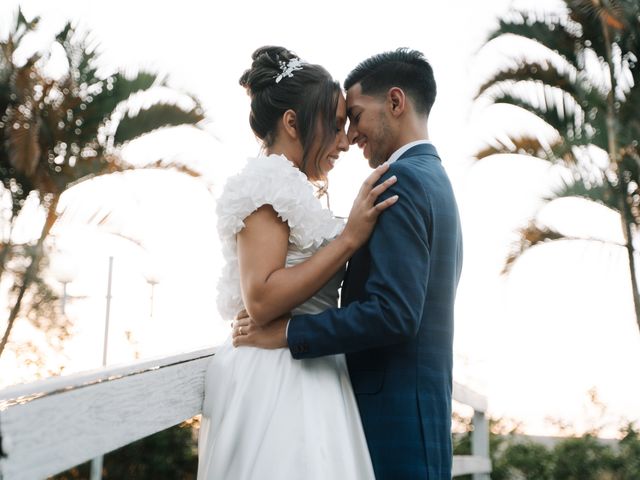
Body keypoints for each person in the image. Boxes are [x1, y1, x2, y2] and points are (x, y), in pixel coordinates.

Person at [233, 48, 463, 479]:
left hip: (390, 419)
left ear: (395, 103)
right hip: (383, 409)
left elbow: (393, 313)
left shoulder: (401, 181)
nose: (350, 136)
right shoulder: (432, 176)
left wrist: (289, 332)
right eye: (339, 123)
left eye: (354, 117)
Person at [197, 46, 399, 480]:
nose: (345, 142)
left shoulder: (292, 187)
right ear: (292, 122)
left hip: (312, 368)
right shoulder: (265, 183)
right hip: (278, 382)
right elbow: (263, 300)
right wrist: (348, 240)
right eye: (336, 126)